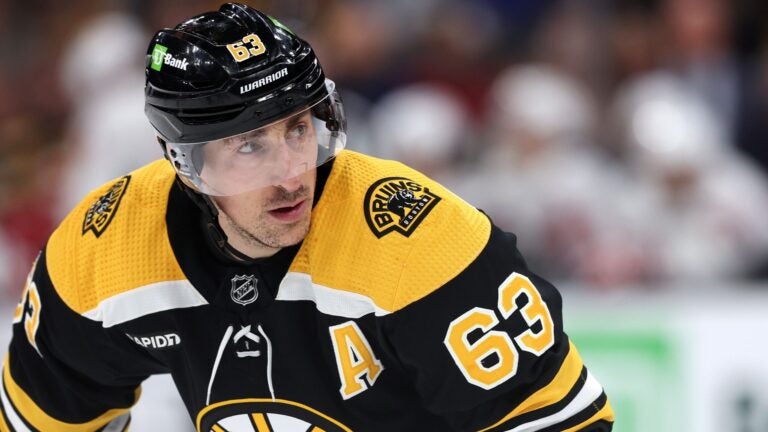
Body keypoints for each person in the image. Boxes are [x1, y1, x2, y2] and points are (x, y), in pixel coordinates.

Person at [1, 3, 614, 431]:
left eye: (299, 129)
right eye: (249, 146)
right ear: (186, 163)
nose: (293, 173)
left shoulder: (418, 239)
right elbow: (40, 419)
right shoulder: (103, 250)